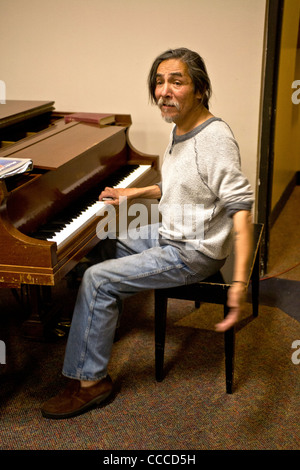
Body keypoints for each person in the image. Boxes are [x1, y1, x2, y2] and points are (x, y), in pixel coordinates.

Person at [41, 48, 253, 419]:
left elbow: (241, 211)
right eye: (158, 82)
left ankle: (91, 382)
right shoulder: (181, 127)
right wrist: (133, 193)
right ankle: (97, 325)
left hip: (193, 251)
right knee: (104, 240)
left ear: (200, 90)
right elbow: (180, 185)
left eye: (176, 81)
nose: (163, 91)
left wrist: (238, 284)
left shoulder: (214, 139)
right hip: (172, 230)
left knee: (97, 278)